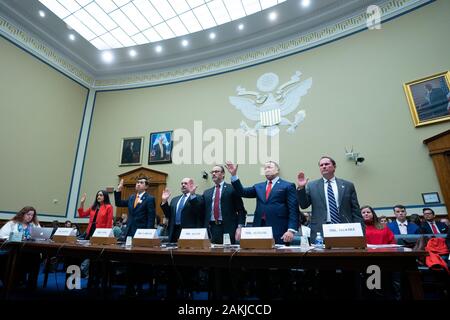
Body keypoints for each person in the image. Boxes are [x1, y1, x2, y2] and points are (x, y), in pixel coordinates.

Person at [225, 160, 299, 244]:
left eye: (269, 167)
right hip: (259, 227)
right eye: (265, 168)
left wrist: (291, 230)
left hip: (279, 227)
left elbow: (293, 209)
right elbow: (242, 192)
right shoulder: (258, 186)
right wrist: (234, 175)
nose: (267, 169)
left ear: (277, 170)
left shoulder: (287, 186)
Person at [296, 156, 363, 243]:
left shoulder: (347, 185)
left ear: (334, 167)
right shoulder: (312, 186)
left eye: (327, 164)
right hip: (321, 229)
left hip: (345, 227)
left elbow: (355, 210)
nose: (324, 166)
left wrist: (361, 231)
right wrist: (301, 188)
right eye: (321, 165)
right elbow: (304, 205)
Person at [202, 165, 247, 244]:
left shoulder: (232, 189)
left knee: (228, 252)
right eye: (212, 172)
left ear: (223, 174)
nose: (213, 174)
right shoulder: (207, 193)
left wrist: (240, 227)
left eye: (216, 171)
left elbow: (241, 210)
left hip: (228, 228)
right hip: (211, 228)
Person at [161, 178, 204, 243]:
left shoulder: (198, 197)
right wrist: (164, 201)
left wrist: (192, 195)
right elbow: (169, 215)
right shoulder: (175, 199)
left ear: (191, 185)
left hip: (189, 232)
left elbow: (199, 211)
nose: (183, 185)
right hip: (174, 231)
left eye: (185, 183)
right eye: (182, 183)